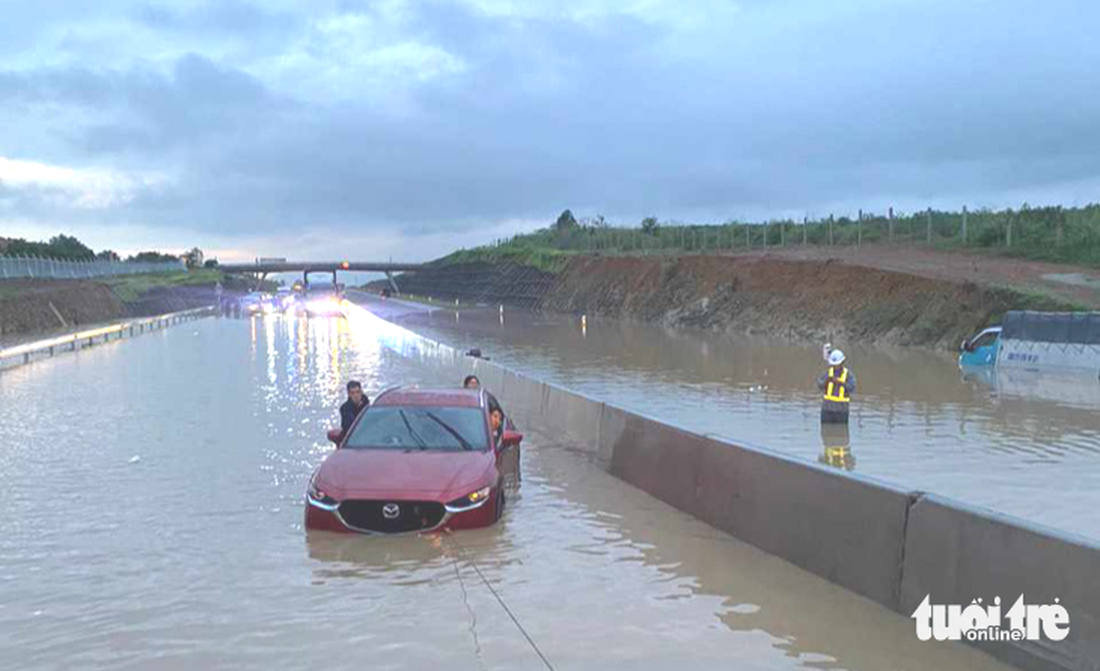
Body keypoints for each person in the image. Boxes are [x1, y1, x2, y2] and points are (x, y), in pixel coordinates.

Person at [817, 346, 855, 424]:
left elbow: (852, 388)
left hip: (842, 411)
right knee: (826, 433)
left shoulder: (848, 375)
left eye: (837, 365)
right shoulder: (827, 373)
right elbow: (819, 386)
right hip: (827, 410)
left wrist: (841, 383)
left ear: (842, 363)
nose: (835, 367)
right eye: (833, 365)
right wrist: (827, 381)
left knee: (841, 434)